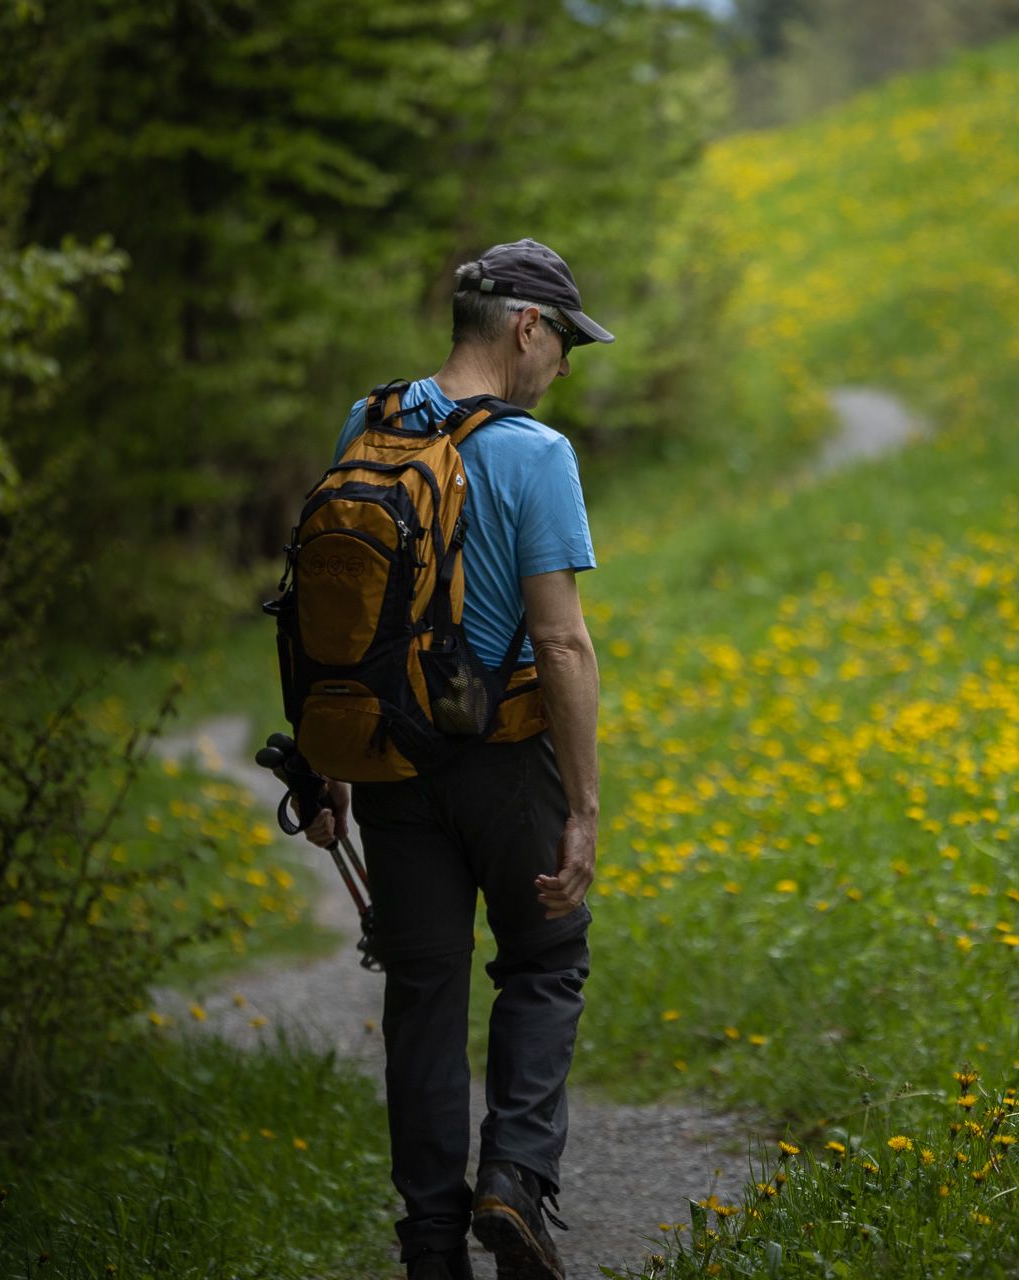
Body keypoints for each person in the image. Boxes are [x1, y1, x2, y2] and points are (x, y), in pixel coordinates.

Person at [300, 238, 611, 1280]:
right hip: (506, 760)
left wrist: (330, 755)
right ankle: (513, 1179)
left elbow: (334, 613)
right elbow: (561, 640)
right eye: (563, 340)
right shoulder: (537, 453)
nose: (563, 363)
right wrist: (585, 806)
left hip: (389, 764)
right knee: (545, 954)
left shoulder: (367, 423)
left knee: (423, 987)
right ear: (526, 327)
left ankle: (431, 1238)